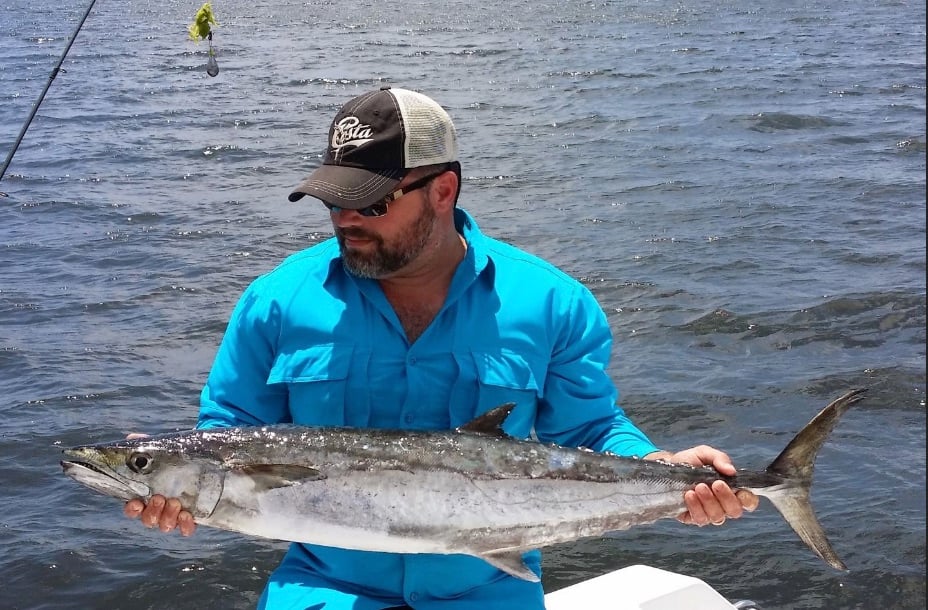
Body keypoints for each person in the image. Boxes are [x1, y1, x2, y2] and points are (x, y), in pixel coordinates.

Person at [124, 86, 759, 609]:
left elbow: (591, 427)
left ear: (443, 191)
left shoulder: (551, 303)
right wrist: (171, 483)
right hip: (324, 587)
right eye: (333, 203)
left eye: (368, 203)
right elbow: (229, 432)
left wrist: (662, 465)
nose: (345, 220)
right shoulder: (276, 301)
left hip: (489, 584)